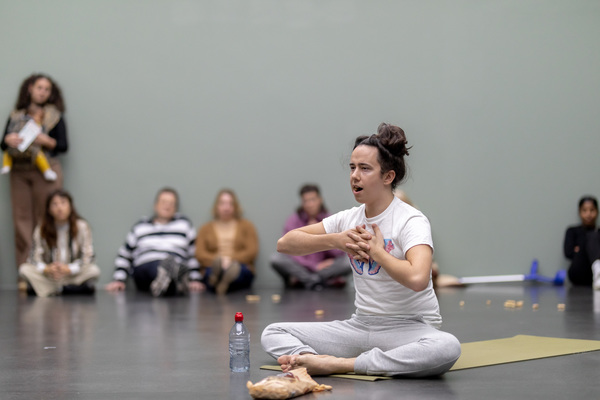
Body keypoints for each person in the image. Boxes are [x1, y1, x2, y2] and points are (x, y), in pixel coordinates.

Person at [261, 123, 461, 377]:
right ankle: (312, 360)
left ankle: (339, 364)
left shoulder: (411, 220)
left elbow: (418, 279)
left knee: (447, 347)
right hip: (361, 326)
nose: (354, 176)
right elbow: (285, 243)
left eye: (365, 168)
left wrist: (378, 253)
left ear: (388, 177)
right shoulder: (348, 218)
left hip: (409, 329)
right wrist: (336, 240)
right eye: (352, 167)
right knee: (273, 332)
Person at [1, 74, 68, 277]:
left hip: (45, 171)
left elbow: (63, 145)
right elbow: (3, 143)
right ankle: (26, 274)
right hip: (20, 171)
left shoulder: (54, 115)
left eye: (47, 89)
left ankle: (50, 271)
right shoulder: (16, 115)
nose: (43, 92)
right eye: (40, 87)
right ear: (30, 88)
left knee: (46, 217)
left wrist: (46, 141)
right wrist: (8, 140)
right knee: (21, 220)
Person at [105, 188, 203, 296]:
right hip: (145, 266)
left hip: (176, 261)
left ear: (176, 208)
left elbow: (193, 254)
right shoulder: (141, 226)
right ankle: (172, 279)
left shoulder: (184, 224)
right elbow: (125, 254)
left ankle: (168, 282)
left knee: (174, 264)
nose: (167, 206)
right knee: (161, 265)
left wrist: (195, 279)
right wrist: (119, 279)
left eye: (171, 203)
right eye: (164, 202)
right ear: (155, 205)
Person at [18, 189, 100, 297]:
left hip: (71, 274)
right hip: (50, 275)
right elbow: (34, 258)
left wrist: (69, 269)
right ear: (49, 209)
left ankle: (48, 289)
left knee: (94, 271)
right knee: (24, 269)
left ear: (70, 206)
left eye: (63, 203)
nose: (59, 208)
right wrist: (47, 269)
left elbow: (88, 257)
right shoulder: (41, 228)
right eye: (55, 204)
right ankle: (65, 289)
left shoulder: (82, 226)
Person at [271, 184, 350, 290]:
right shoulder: (294, 220)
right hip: (302, 267)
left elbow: (338, 251)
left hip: (324, 268)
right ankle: (320, 281)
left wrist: (322, 236)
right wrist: (313, 266)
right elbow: (288, 248)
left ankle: (306, 281)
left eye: (313, 200)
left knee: (348, 261)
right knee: (276, 259)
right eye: (306, 201)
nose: (310, 204)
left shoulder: (329, 219)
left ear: (320, 200)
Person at [195, 189, 259, 295]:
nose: (226, 207)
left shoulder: (247, 226)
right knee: (211, 271)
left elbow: (251, 251)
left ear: (235, 206)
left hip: (238, 265)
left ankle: (217, 282)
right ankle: (220, 279)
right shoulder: (205, 229)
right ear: (216, 206)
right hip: (213, 265)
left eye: (230, 204)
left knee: (240, 271)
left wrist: (230, 260)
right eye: (223, 203)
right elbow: (200, 254)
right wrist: (220, 261)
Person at [564, 196, 600, 288]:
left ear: (597, 212)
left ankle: (597, 271)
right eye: (584, 210)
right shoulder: (572, 231)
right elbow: (568, 252)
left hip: (592, 274)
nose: (588, 214)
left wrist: (578, 248)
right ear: (579, 212)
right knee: (591, 237)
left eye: (592, 210)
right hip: (578, 273)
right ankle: (597, 270)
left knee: (593, 236)